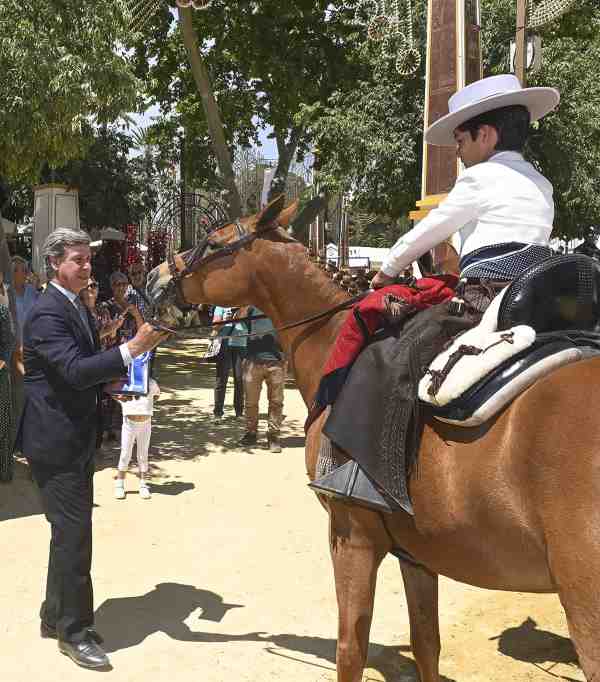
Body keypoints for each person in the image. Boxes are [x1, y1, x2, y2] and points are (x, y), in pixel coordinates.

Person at [318, 74, 560, 505]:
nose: (461, 156)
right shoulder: (543, 184)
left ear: (486, 135)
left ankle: (363, 480)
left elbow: (427, 233)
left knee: (386, 357)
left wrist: (386, 273)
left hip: (483, 301)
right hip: (537, 300)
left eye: (462, 142)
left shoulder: (480, 179)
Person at [16, 228, 167, 669]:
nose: (87, 266)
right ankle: (74, 632)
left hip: (75, 436)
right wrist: (132, 349)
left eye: (87, 259)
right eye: (78, 260)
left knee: (67, 534)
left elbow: (74, 374)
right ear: (55, 263)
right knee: (75, 538)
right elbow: (73, 369)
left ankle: (54, 615)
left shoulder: (73, 306)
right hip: (56, 443)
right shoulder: (47, 313)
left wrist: (112, 384)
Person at [100, 272, 144, 441]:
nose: (121, 287)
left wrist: (135, 313)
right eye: (117, 284)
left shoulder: (133, 305)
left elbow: (141, 329)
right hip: (113, 352)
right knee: (111, 390)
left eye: (124, 284)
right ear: (112, 287)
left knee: (128, 390)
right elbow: (106, 332)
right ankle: (108, 427)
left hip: (131, 353)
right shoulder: (105, 307)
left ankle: (124, 427)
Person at [238, 306, 286, 452]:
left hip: (276, 362)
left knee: (276, 402)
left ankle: (273, 436)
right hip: (253, 360)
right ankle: (251, 433)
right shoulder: (251, 308)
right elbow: (239, 319)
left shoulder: (279, 305)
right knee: (251, 402)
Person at [114, 378, 160, 500]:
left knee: (143, 453)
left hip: (146, 423)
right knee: (125, 453)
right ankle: (120, 483)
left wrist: (147, 405)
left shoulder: (151, 382)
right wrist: (123, 402)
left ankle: (143, 484)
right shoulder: (125, 382)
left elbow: (156, 395)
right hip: (129, 423)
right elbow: (114, 393)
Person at [211, 306, 246, 421]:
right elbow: (215, 326)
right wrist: (225, 320)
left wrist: (242, 315)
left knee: (239, 380)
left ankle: (239, 412)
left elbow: (252, 325)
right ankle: (218, 413)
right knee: (221, 379)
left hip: (241, 345)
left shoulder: (246, 305)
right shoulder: (221, 306)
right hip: (224, 344)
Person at [0, 269, 16, 482]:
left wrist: (2, 360)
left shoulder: (2, 312)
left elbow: (9, 340)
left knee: (1, 424)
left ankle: (3, 471)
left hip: (0, 375)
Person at [12, 255, 39, 338]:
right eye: (23, 270)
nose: (26, 273)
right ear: (13, 272)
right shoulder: (6, 293)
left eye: (26, 270)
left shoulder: (31, 290)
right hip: (14, 344)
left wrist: (38, 287)